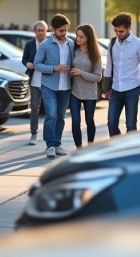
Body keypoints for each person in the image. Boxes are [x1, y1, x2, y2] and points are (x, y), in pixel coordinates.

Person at [102, 12, 140, 137]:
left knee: (131, 125)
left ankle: (130, 152)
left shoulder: (139, 44)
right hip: (115, 90)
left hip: (132, 90)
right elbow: (109, 67)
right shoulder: (112, 43)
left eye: (121, 31)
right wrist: (106, 88)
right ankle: (118, 147)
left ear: (129, 28)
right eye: (116, 31)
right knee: (111, 124)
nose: (118, 34)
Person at [33, 14, 74, 158]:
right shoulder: (45, 45)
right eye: (61, 31)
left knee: (61, 117)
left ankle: (57, 144)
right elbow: (37, 64)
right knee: (51, 114)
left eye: (66, 30)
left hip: (66, 87)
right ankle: (50, 145)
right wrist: (53, 68)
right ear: (54, 29)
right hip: (49, 86)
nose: (64, 33)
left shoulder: (70, 44)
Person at [69, 24, 102, 149]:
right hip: (75, 92)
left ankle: (90, 146)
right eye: (77, 35)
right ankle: (79, 148)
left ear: (89, 37)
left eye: (81, 37)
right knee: (75, 121)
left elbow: (98, 77)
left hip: (89, 93)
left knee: (89, 121)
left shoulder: (95, 54)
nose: (78, 38)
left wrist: (81, 73)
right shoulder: (73, 51)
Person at [22, 20, 48, 145]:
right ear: (35, 32)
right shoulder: (30, 44)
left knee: (50, 110)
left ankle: (49, 136)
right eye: (38, 30)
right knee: (34, 109)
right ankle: (33, 134)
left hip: (48, 81)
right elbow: (24, 59)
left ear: (46, 31)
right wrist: (27, 63)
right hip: (34, 82)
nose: (41, 32)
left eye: (43, 30)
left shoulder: (50, 44)